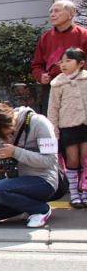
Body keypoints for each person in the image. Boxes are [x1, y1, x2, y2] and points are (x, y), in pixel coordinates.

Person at [0, 102, 60, 227]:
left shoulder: (40, 123)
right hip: (16, 183)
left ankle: (41, 209)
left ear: (5, 121)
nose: (0, 136)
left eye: (0, 132)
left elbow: (50, 160)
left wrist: (16, 152)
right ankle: (26, 206)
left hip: (43, 181)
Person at [46, 47, 87, 207]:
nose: (63, 64)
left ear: (81, 63)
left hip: (85, 126)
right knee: (72, 160)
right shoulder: (57, 84)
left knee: (85, 159)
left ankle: (85, 191)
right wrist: (53, 132)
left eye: (68, 61)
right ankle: (74, 193)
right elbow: (53, 109)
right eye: (61, 61)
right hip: (68, 127)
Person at [32, 0, 87, 114]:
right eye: (51, 11)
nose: (52, 14)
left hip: (79, 87)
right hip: (52, 87)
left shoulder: (84, 35)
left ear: (71, 13)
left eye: (57, 11)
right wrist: (41, 76)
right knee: (52, 125)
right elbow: (37, 65)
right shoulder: (45, 38)